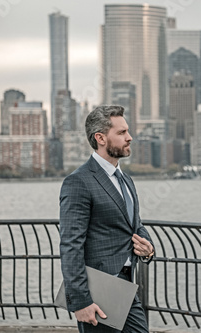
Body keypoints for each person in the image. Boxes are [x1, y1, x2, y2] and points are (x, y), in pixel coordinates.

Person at [59, 105, 155, 333]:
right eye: (121, 133)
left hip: (125, 287)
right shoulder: (78, 182)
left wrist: (148, 249)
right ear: (100, 138)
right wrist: (80, 301)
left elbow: (135, 225)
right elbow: (70, 245)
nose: (129, 138)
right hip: (97, 292)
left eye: (128, 131)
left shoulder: (126, 180)